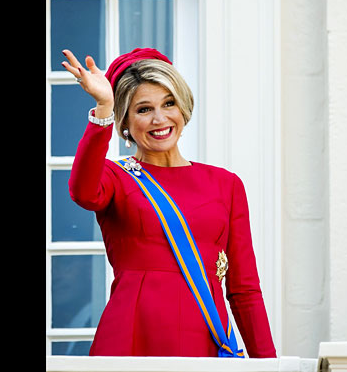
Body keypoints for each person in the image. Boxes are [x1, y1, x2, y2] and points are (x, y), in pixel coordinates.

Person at [61, 47, 277, 358]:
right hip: (132, 342)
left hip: (206, 344)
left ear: (183, 106)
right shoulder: (115, 177)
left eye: (169, 103)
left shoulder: (226, 184)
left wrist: (266, 363)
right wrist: (104, 107)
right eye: (143, 109)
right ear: (125, 121)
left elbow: (245, 290)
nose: (159, 119)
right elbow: (82, 192)